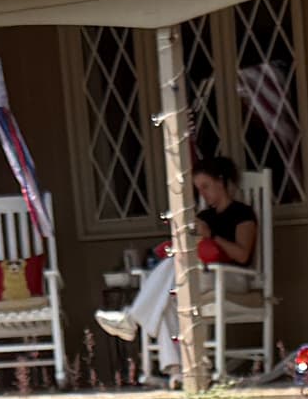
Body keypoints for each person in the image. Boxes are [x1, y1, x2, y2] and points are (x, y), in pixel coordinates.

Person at [94, 150, 260, 364]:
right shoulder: (204, 216)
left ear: (221, 181)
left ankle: (131, 319)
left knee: (174, 268)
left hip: (232, 277)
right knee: (167, 299)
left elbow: (243, 254)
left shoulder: (242, 213)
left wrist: (212, 236)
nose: (203, 193)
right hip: (201, 275)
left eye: (206, 186)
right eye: (198, 189)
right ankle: (175, 368)